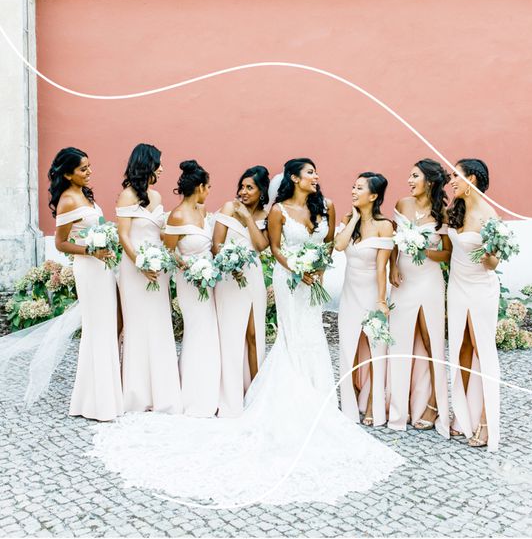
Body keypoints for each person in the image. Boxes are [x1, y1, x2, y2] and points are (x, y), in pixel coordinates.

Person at [91, 158, 403, 507]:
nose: (316, 176)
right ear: (295, 178)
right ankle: (285, 399)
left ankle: (321, 402)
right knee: (291, 337)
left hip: (310, 280)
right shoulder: (277, 211)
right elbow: (274, 248)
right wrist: (297, 270)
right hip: (290, 281)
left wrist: (315, 264)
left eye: (317, 171)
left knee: (313, 336)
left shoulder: (325, 206)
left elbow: (329, 243)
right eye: (310, 172)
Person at [50, 147, 123, 421]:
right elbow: (60, 243)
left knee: (108, 326)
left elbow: (98, 227)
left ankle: (104, 396)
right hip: (89, 269)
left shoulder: (85, 195)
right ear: (68, 174)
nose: (89, 171)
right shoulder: (68, 200)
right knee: (97, 328)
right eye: (83, 169)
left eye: (89, 166)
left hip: (103, 267)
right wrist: (90, 251)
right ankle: (96, 402)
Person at [116, 143, 182, 414]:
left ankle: (163, 392)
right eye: (159, 163)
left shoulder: (155, 197)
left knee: (159, 324)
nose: (163, 168)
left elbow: (161, 234)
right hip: (135, 270)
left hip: (159, 271)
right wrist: (141, 264)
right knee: (138, 325)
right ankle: (137, 393)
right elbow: (123, 236)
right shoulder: (127, 196)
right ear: (147, 164)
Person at [387, 159, 451, 437]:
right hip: (403, 283)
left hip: (429, 281)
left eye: (415, 176)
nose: (409, 181)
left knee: (429, 340)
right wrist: (392, 267)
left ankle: (435, 403)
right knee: (400, 339)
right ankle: (400, 404)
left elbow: (447, 254)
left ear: (430, 181)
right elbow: (392, 241)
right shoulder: (402, 204)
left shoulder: (442, 214)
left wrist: (425, 249)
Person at [447, 158, 500, 450]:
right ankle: (462, 413)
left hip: (481, 288)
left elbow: (493, 263)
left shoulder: (489, 216)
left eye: (456, 176)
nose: (451, 181)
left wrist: (485, 253)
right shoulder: (456, 209)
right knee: (461, 348)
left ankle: (485, 420)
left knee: (482, 348)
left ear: (473, 179)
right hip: (456, 287)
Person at [336, 172, 394, 427]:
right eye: (353, 186)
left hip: (372, 293)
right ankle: (349, 405)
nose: (353, 191)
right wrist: (354, 219)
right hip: (350, 294)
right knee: (348, 348)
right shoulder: (349, 219)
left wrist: (381, 300)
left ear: (373, 196)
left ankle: (373, 404)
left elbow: (383, 268)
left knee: (374, 350)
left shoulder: (385, 225)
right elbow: (339, 246)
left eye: (359, 188)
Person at [213, 166, 270, 418]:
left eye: (250, 187)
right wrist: (230, 263)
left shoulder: (266, 215)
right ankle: (230, 395)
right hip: (229, 278)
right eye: (242, 186)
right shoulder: (228, 207)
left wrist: (248, 218)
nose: (243, 192)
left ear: (261, 191)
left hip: (253, 278)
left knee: (254, 334)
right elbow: (216, 245)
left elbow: (260, 246)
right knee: (230, 334)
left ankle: (256, 393)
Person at [164, 160, 220, 417]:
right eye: (207, 187)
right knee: (197, 331)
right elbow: (168, 250)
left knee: (209, 332)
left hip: (207, 283)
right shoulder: (177, 215)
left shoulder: (202, 210)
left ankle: (209, 391)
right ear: (199, 187)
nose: (209, 191)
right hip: (189, 282)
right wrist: (188, 268)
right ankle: (192, 395)